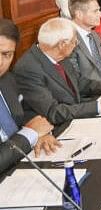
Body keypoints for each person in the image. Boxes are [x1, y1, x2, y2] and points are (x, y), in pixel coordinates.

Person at [13, 18, 101, 125]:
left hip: (77, 113)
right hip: (59, 127)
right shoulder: (28, 68)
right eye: (75, 41)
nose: (76, 45)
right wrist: (100, 106)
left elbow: (80, 83)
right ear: (62, 44)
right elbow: (53, 112)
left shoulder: (59, 55)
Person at [0, 18, 60, 174]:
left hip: (23, 164)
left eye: (7, 54)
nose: (0, 62)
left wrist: (41, 133)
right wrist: (30, 134)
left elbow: (25, 111)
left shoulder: (7, 79)